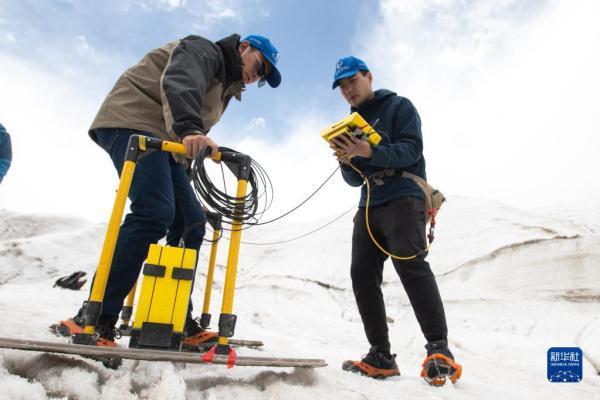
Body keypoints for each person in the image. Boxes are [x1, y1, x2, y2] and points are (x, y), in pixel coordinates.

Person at [57, 33, 282, 347]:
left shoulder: (225, 88)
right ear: (244, 48)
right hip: (134, 121)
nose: (258, 76)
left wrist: (187, 162)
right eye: (260, 66)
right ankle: (94, 318)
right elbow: (180, 80)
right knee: (154, 212)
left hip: (164, 141)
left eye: (263, 76)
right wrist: (190, 128)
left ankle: (175, 318)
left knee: (190, 222)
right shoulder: (205, 51)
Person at [329, 56, 461, 385]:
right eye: (342, 86)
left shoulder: (399, 106)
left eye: (352, 81)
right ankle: (381, 356)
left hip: (404, 196)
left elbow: (412, 150)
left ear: (369, 77)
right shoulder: (351, 123)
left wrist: (370, 152)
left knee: (411, 267)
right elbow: (354, 180)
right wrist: (347, 159)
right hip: (369, 203)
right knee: (362, 275)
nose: (347, 90)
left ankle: (439, 350)